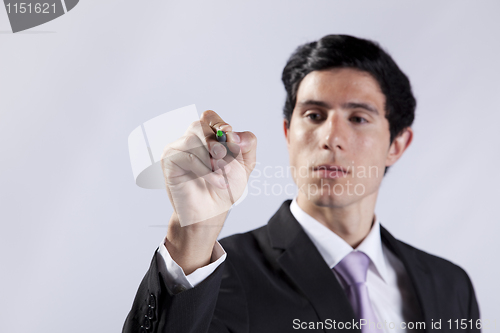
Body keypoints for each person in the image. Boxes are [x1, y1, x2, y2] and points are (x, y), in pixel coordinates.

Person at [123, 35, 480, 333]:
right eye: (314, 115)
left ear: (396, 145)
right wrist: (193, 234)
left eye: (358, 118)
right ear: (288, 133)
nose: (331, 137)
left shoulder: (450, 285)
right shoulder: (216, 275)